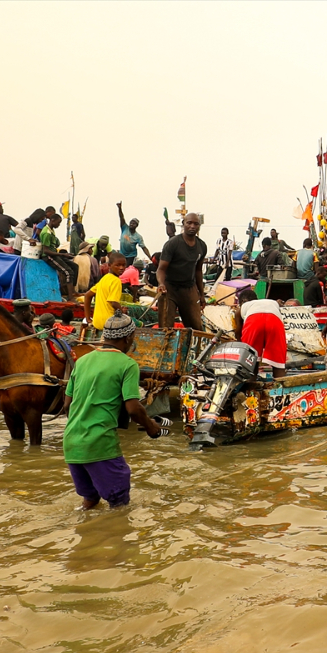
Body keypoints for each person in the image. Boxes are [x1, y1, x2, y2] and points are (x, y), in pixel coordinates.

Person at [62, 313, 169, 510]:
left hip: (72, 444)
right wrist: (151, 427)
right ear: (128, 338)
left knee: (90, 502)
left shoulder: (82, 361)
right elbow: (133, 408)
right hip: (100, 443)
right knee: (119, 507)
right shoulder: (127, 364)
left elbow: (67, 405)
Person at [157, 212, 207, 330]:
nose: (192, 226)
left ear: (199, 226)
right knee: (165, 328)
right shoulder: (173, 244)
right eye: (189, 223)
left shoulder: (202, 246)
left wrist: (201, 294)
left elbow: (198, 271)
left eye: (196, 224)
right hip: (169, 289)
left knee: (196, 327)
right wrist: (161, 284)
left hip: (189, 289)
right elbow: (161, 269)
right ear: (183, 223)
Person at [236, 289, 287, 378]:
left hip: (253, 321)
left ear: (242, 302)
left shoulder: (242, 308)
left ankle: (251, 383)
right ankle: (281, 383)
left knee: (251, 361)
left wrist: (242, 348)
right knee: (278, 363)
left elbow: (238, 332)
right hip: (274, 321)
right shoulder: (272, 302)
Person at [85, 252, 127, 331]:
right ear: (109, 265)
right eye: (118, 265)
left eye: (124, 265)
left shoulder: (104, 279)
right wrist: (122, 312)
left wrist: (88, 319)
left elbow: (87, 295)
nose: (121, 268)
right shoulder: (116, 281)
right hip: (109, 323)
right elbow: (114, 302)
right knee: (135, 324)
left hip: (97, 322)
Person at [39, 214, 77, 297]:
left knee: (75, 266)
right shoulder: (47, 233)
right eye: (58, 223)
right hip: (48, 256)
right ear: (52, 220)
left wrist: (64, 255)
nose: (59, 225)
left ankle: (73, 291)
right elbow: (46, 251)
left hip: (54, 254)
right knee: (68, 272)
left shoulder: (51, 230)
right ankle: (70, 297)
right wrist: (62, 254)